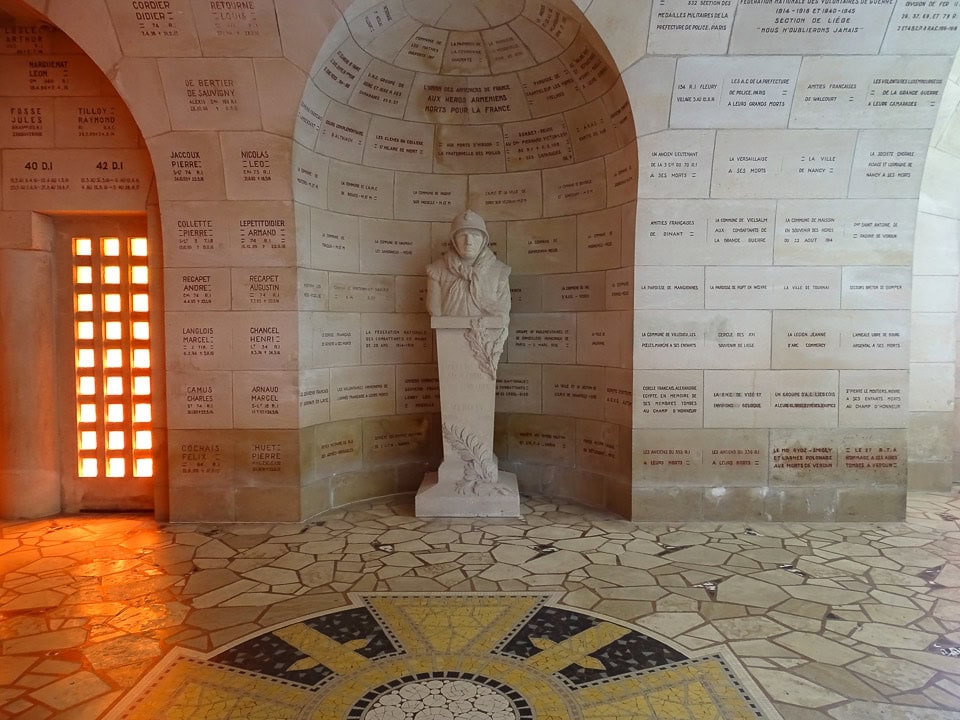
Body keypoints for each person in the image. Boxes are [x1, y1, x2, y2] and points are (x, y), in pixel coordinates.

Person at [426, 209, 511, 319]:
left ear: (484, 240)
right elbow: (434, 310)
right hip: (447, 333)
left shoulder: (500, 272)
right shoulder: (437, 270)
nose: (468, 242)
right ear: (454, 240)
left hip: (486, 334)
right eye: (462, 235)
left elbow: (502, 313)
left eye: (475, 236)